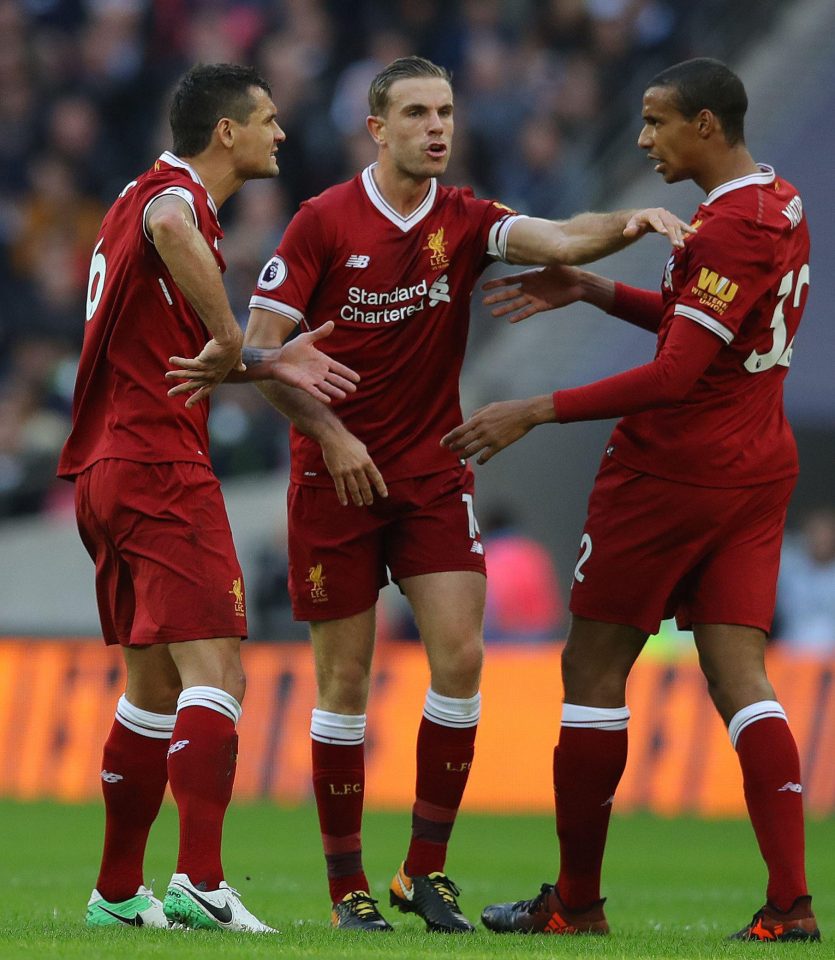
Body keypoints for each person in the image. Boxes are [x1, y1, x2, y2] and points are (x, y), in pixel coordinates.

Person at [215, 55, 691, 933]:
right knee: (345, 682)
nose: (438, 127)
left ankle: (421, 871)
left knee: (462, 657)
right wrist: (332, 433)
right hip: (335, 477)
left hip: (431, 474)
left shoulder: (466, 218)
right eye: (418, 113)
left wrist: (631, 222)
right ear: (378, 129)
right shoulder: (323, 222)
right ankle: (345, 887)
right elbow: (260, 350)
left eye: (446, 111)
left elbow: (558, 238)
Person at [442, 58, 819, 942]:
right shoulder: (779, 203)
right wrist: (593, 287)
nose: (643, 139)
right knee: (740, 679)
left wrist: (534, 410)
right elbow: (709, 333)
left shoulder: (726, 230)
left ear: (706, 126)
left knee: (591, 671)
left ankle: (574, 903)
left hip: (671, 476)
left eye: (656, 123)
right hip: (755, 467)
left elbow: (677, 373)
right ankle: (790, 906)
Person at [57, 63, 359, 934]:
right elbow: (171, 233)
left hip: (109, 466)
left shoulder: (134, 197)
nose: (280, 133)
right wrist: (235, 334)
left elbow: (177, 362)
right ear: (225, 131)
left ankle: (117, 894)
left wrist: (264, 360)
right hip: (156, 466)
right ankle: (201, 881)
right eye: (266, 119)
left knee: (153, 688)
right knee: (220, 666)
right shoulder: (170, 198)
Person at [775, 507, 835, 653]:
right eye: (816, 533)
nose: (821, 539)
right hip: (790, 654)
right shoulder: (788, 568)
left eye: (827, 534)